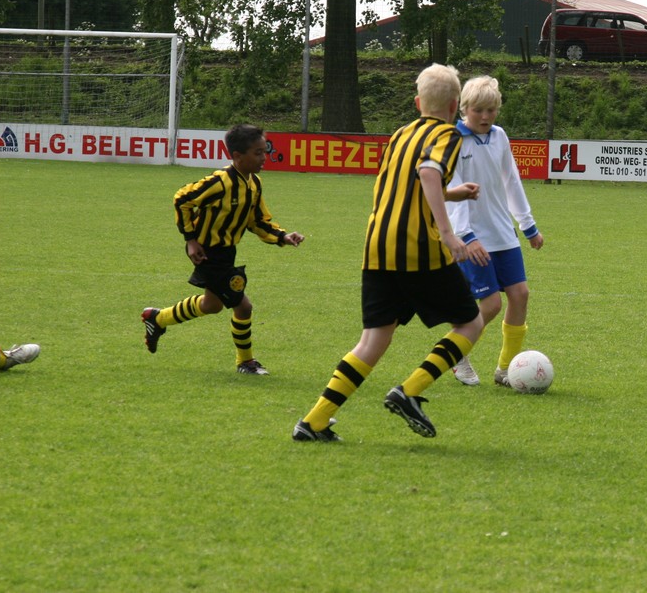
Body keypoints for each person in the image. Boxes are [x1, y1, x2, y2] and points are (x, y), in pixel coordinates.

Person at [293, 63, 483, 442]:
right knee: (470, 323)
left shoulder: (400, 134)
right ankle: (409, 391)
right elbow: (428, 172)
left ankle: (314, 422)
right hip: (418, 247)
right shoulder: (448, 134)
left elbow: (406, 183)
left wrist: (451, 194)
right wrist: (448, 234)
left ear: (417, 103)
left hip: (378, 245)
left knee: (373, 340)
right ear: (454, 106)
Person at [141, 124, 305, 375]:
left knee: (212, 305)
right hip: (207, 252)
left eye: (265, 151)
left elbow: (257, 221)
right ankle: (245, 362)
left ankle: (158, 318)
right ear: (238, 156)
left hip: (227, 252)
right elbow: (182, 199)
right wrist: (191, 239)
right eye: (258, 153)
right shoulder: (219, 183)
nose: (264, 157)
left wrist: (283, 236)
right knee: (244, 307)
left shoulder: (254, 183)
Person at [446, 76, 544, 387]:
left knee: (520, 295)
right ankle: (455, 354)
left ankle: (506, 370)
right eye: (478, 110)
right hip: (472, 238)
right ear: (464, 109)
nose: (485, 116)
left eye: (491, 110)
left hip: (503, 234)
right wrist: (466, 236)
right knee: (490, 305)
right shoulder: (453, 140)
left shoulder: (499, 136)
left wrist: (528, 226)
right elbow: (450, 192)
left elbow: (511, 180)